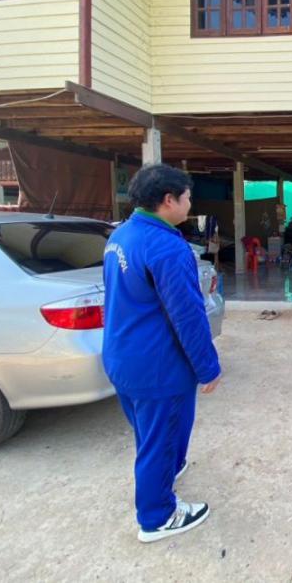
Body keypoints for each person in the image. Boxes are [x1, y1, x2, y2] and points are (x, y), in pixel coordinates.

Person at [103, 164, 223, 542]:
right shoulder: (168, 247)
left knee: (150, 433)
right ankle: (157, 516)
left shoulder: (121, 236)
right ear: (168, 200)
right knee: (159, 437)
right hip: (158, 366)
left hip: (122, 356)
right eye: (187, 197)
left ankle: (167, 469)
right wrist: (208, 367)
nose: (190, 204)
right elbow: (188, 315)